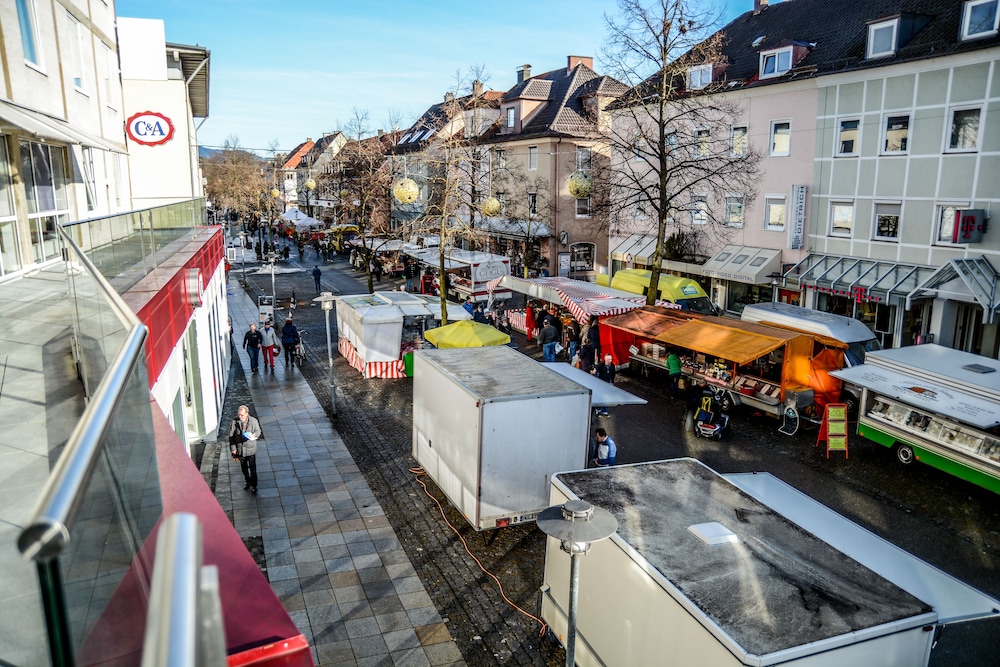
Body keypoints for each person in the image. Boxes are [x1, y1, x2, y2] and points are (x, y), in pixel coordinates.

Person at [229, 404, 263, 493]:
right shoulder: (234, 422)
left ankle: (254, 485)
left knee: (252, 469)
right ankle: (248, 482)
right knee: (244, 469)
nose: (240, 417)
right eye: (239, 415)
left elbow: (258, 431)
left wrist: (254, 435)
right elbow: (231, 436)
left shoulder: (253, 421)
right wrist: (233, 449)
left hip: (250, 449)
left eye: (242, 415)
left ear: (247, 414)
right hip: (240, 450)